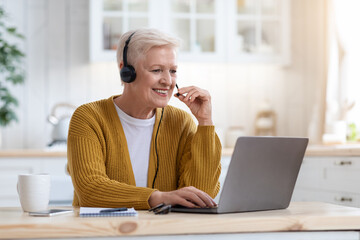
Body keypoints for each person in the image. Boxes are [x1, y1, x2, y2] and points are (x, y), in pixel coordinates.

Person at [67, 28, 221, 210]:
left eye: (172, 71)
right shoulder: (89, 118)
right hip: (103, 234)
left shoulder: (181, 122)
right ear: (126, 71)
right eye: (157, 70)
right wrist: (159, 197)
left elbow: (201, 195)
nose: (168, 81)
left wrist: (205, 122)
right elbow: (90, 191)